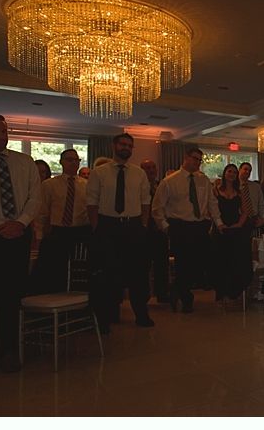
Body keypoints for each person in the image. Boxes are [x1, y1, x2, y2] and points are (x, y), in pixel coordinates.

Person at [86, 133, 153, 331]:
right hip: (107, 225)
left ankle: (141, 315)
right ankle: (105, 319)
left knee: (138, 274)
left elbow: (145, 202)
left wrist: (142, 225)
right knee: (107, 274)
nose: (126, 148)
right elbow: (91, 202)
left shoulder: (138, 173)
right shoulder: (99, 172)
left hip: (133, 225)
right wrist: (97, 227)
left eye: (130, 146)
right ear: (114, 146)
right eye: (123, 144)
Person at [0, 114, 41, 372]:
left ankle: (8, 350)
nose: (0, 136)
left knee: (12, 295)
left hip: (18, 236)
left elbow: (34, 197)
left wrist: (20, 222)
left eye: (3, 131)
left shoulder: (25, 162)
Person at [152, 147, 223, 314]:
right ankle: (186, 298)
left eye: (200, 160)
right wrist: (166, 227)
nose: (197, 162)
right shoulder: (170, 181)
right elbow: (157, 207)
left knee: (200, 262)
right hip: (179, 226)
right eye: (195, 159)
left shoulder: (203, 180)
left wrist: (218, 222)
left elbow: (212, 202)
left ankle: (177, 289)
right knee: (183, 263)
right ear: (186, 158)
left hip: (199, 226)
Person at [33, 149, 90, 295]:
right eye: (69, 160)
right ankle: (52, 299)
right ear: (61, 162)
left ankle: (78, 303)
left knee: (80, 271)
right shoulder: (49, 185)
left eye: (76, 160)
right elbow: (42, 213)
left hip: (80, 231)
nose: (73, 163)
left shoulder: (87, 185)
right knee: (53, 270)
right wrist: (39, 236)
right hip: (56, 231)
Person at [213, 164, 251, 303]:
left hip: (235, 230)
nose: (232, 174)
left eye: (234, 172)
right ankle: (220, 291)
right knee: (219, 261)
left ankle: (233, 291)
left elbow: (245, 211)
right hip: (220, 229)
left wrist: (239, 224)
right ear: (224, 173)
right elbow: (211, 208)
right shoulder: (216, 190)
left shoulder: (239, 192)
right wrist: (219, 224)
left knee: (234, 261)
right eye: (230, 171)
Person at [140, 158, 169, 302]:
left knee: (162, 265)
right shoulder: (138, 187)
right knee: (143, 266)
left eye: (153, 168)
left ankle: (162, 293)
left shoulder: (161, 186)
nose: (151, 171)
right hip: (144, 231)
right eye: (147, 168)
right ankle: (144, 295)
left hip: (159, 232)